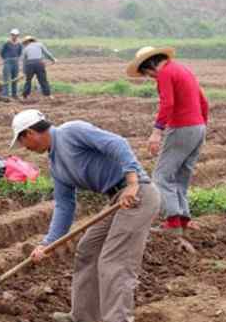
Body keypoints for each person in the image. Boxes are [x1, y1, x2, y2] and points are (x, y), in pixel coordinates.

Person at [9, 109, 160, 322]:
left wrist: (133, 182)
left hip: (137, 195)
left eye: (23, 142)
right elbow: (64, 206)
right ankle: (83, 317)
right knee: (88, 249)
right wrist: (48, 243)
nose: (25, 148)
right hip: (116, 199)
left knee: (114, 261)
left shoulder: (71, 131)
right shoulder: (56, 165)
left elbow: (118, 143)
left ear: (30, 133)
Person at [126, 47, 208, 235]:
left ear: (150, 65)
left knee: (161, 176)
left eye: (147, 74)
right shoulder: (183, 69)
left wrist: (157, 132)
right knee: (181, 175)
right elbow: (203, 101)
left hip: (181, 127)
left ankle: (172, 223)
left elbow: (168, 103)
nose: (150, 77)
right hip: (198, 127)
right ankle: (183, 218)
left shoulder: (165, 73)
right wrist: (201, 125)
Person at [0, 29, 23, 99]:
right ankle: (5, 94)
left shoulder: (19, 44)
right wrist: (6, 59)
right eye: (13, 35)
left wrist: (16, 59)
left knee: (15, 78)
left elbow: (19, 53)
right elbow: (2, 53)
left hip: (15, 61)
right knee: (6, 78)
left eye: (16, 35)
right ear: (11, 35)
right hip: (8, 61)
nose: (14, 37)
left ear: (18, 36)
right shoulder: (7, 43)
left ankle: (14, 94)